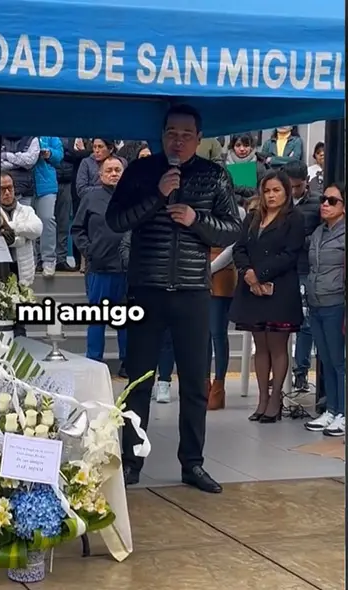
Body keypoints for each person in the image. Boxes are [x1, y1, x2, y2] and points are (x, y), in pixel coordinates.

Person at [106, 104, 241, 494]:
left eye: (185, 134)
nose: (177, 140)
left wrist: (196, 220)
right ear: (162, 134)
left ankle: (193, 463)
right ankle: (131, 461)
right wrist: (156, 197)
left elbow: (232, 229)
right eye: (171, 133)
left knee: (195, 382)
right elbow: (116, 221)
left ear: (199, 139)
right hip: (146, 288)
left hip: (193, 291)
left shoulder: (215, 175)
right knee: (139, 381)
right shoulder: (140, 172)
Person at [229, 170, 305, 423]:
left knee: (277, 345)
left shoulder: (295, 219)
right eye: (267, 190)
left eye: (276, 190)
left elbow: (290, 254)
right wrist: (248, 272)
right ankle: (261, 398)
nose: (271, 195)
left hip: (280, 290)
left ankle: (276, 400)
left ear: (286, 192)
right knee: (259, 346)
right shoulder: (252, 217)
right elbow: (239, 247)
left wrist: (260, 273)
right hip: (252, 289)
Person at [71, 156, 128, 371]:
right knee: (97, 318)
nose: (114, 174)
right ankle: (94, 361)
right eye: (109, 170)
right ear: (100, 174)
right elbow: (77, 229)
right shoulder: (90, 197)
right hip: (99, 269)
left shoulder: (131, 197)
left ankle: (127, 362)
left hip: (126, 269)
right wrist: (89, 250)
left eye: (118, 170)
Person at [204, 187, 253, 409]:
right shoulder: (200, 207)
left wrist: (210, 268)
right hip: (197, 271)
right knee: (202, 334)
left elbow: (233, 247)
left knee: (216, 333)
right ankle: (202, 383)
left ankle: (219, 386)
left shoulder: (238, 212)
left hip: (221, 274)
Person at [303, 183, 345, 436]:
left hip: (336, 303)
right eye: (323, 199)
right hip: (316, 303)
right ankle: (331, 409)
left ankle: (343, 412)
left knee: (339, 361)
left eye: (332, 201)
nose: (325, 204)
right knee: (326, 360)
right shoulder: (319, 232)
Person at [284, 160, 322, 391]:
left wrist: (299, 242)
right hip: (283, 269)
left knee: (306, 324)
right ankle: (282, 373)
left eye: (297, 187)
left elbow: (319, 237)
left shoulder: (317, 204)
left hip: (306, 268)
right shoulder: (279, 200)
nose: (293, 191)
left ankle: (300, 371)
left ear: (306, 183)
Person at [0, 171, 43, 286]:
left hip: (22, 271)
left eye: (10, 188)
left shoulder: (26, 210)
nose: (7, 193)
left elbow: (37, 229)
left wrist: (11, 227)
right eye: (2, 189)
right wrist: (21, 239)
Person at [28, 137, 64, 278]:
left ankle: (48, 259)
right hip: (24, 183)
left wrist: (49, 153)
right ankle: (31, 260)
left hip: (47, 184)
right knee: (27, 223)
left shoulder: (49, 133)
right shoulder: (21, 131)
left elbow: (59, 155)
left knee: (47, 219)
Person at [56, 138, 92, 271]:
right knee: (76, 222)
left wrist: (80, 153)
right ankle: (76, 261)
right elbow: (68, 153)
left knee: (70, 223)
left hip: (73, 181)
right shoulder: (62, 138)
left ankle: (81, 261)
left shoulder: (88, 137)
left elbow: (85, 153)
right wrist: (79, 153)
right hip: (69, 183)